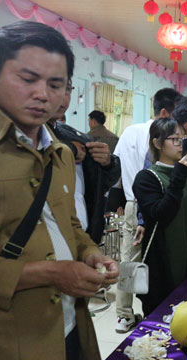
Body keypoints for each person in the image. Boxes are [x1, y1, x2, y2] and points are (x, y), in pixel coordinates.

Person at [0, 21, 118, 360]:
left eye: (56, 84)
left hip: (64, 334)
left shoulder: (61, 153)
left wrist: (90, 253)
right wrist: (50, 272)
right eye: (27, 78)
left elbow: (70, 225)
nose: (42, 95)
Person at [112, 87, 180, 333]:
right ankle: (150, 311)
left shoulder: (129, 131)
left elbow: (117, 170)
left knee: (130, 260)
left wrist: (118, 201)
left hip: (132, 202)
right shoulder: (161, 136)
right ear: (164, 112)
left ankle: (124, 314)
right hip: (152, 204)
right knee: (147, 258)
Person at [132, 118, 187, 315]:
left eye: (183, 139)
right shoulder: (147, 178)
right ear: (157, 143)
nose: (180, 144)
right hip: (164, 267)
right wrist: (179, 175)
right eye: (175, 139)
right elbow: (161, 214)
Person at [49, 81, 121, 244]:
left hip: (83, 238)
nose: (61, 96)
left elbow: (100, 185)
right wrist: (68, 151)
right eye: (53, 85)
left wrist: (108, 163)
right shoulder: (20, 140)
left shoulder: (80, 138)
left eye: (67, 89)